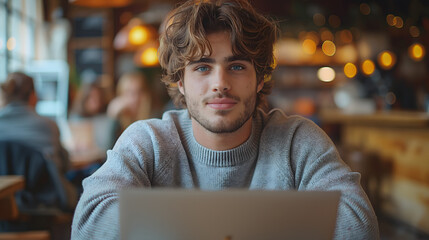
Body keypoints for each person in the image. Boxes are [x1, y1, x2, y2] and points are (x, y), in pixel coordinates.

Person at [71, 0, 379, 239]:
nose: (220, 82)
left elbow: (358, 225)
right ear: (180, 81)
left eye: (237, 66)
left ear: (260, 78)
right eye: (203, 67)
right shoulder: (147, 141)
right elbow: (89, 223)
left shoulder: (298, 140)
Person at [0, 72, 78, 210]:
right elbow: (64, 165)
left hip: (4, 203)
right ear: (33, 96)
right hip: (43, 204)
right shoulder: (48, 126)